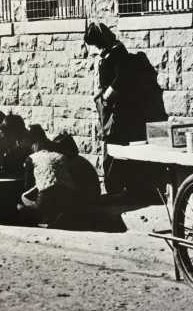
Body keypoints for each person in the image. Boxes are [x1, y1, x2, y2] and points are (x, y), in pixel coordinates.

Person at [84, 22, 167, 196]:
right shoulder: (110, 52)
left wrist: (106, 97)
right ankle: (119, 186)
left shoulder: (117, 53)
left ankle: (117, 186)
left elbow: (120, 79)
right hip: (113, 109)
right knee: (113, 145)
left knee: (115, 146)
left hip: (120, 111)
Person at [18, 125, 79, 228]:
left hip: (46, 199)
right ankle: (60, 215)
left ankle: (43, 218)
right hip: (69, 198)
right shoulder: (62, 156)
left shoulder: (32, 158)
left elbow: (27, 185)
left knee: (21, 205)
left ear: (33, 143)